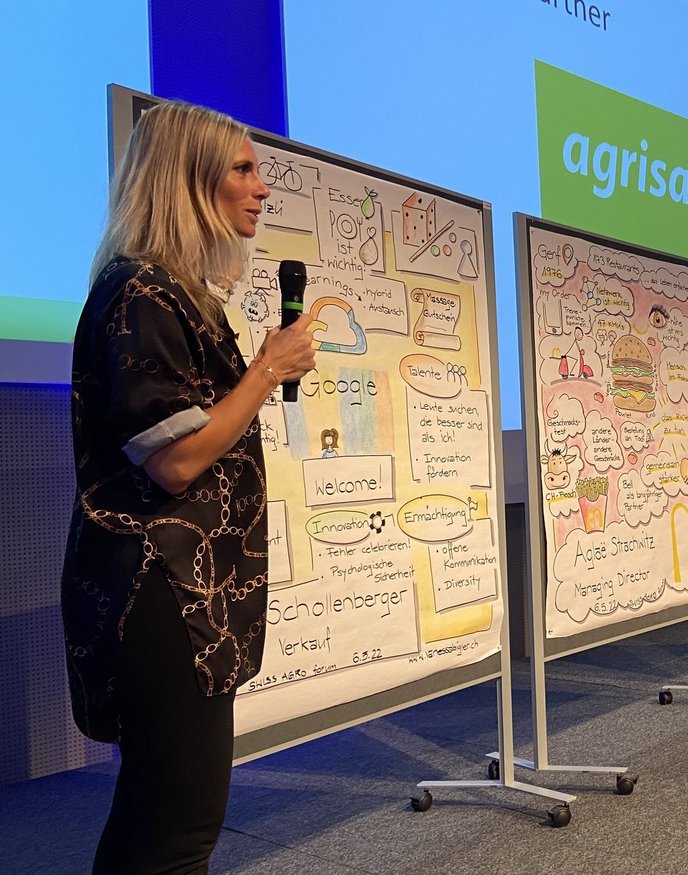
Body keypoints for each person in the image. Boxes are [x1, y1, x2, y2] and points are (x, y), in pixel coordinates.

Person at [61, 101, 317, 874]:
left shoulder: (174, 292)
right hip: (162, 591)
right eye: (242, 169)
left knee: (166, 822)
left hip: (185, 592)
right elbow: (172, 460)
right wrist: (267, 369)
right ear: (188, 180)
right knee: (174, 829)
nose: (262, 188)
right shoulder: (143, 291)